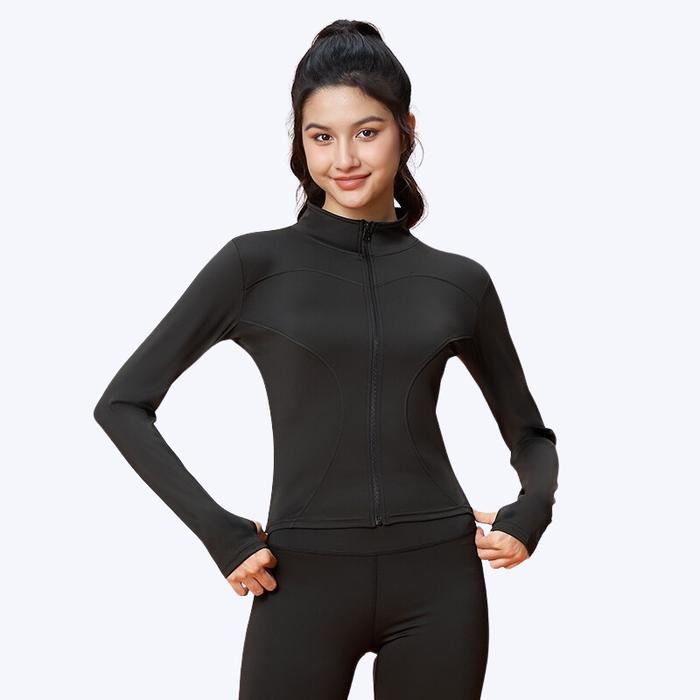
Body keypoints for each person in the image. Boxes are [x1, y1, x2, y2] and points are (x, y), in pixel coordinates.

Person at [93, 19, 559, 700]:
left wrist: (532, 510)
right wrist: (219, 532)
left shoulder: (460, 281)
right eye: (321, 136)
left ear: (405, 129)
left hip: (438, 580)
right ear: (301, 142)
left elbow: (530, 434)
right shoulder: (254, 265)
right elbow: (122, 405)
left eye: (366, 131)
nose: (344, 158)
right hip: (301, 578)